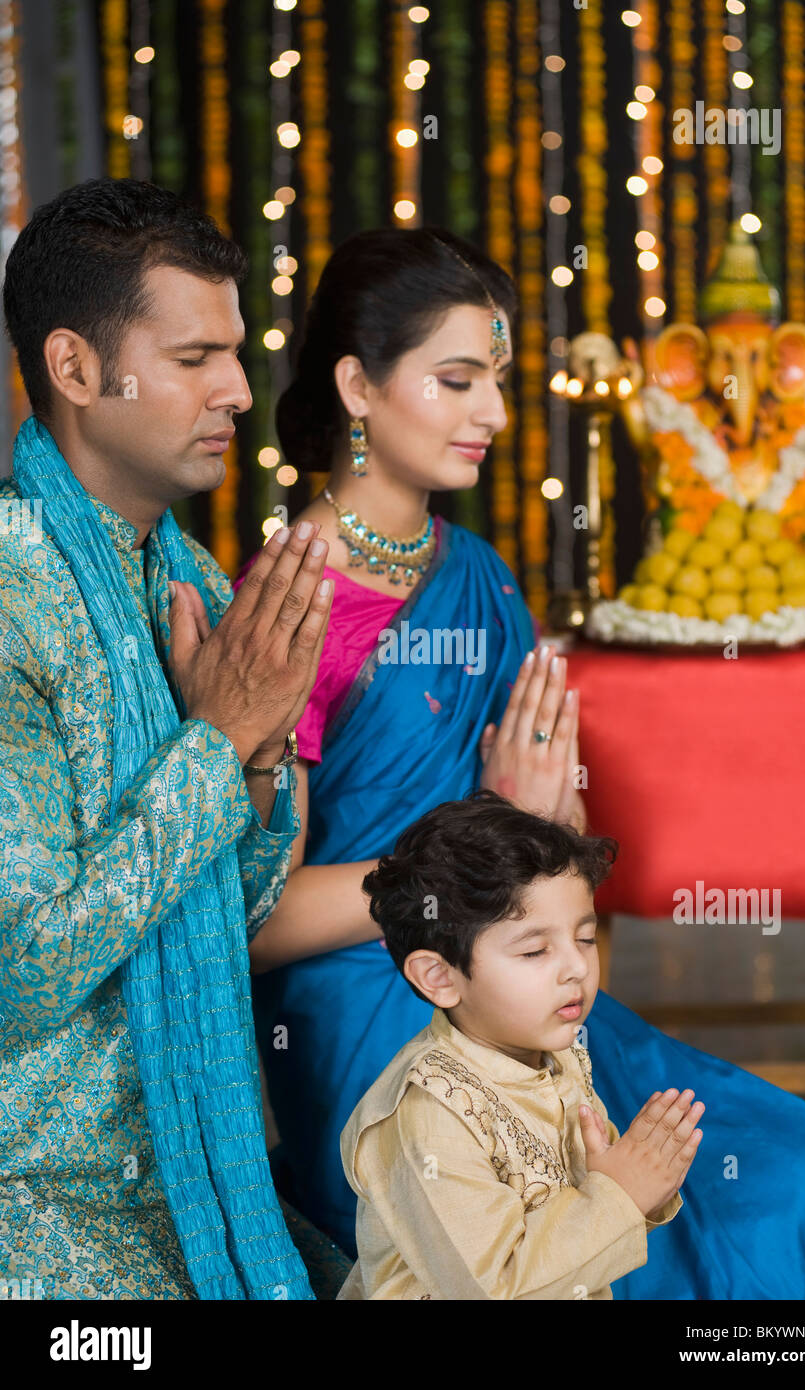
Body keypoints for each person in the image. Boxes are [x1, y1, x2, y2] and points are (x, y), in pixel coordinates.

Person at [237, 225, 805, 1297]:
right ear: (357, 384)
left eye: (499, 382)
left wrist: (542, 827)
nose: (491, 413)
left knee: (788, 1158)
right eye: (457, 380)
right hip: (384, 1007)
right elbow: (261, 920)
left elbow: (549, 835)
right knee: (628, 1246)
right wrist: (488, 820)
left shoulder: (476, 576)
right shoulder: (295, 597)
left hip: (518, 981)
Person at [0, 177, 334, 1300]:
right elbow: (21, 965)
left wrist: (251, 755)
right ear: (79, 369)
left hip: (191, 1168)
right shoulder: (9, 590)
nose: (239, 390)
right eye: (196, 358)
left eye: (236, 353)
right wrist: (221, 738)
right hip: (37, 1197)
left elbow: (228, 912)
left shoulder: (186, 577)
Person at [338, 789, 698, 1300]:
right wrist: (621, 1196)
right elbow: (494, 1288)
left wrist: (641, 1180)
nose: (576, 967)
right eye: (534, 951)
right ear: (439, 977)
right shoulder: (429, 1116)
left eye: (585, 938)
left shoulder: (556, 1053)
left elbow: (588, 1213)